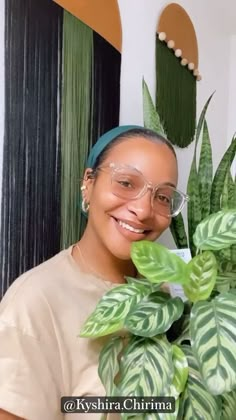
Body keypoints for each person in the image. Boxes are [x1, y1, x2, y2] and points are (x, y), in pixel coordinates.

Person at [0, 125, 188, 420]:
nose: (143, 209)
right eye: (126, 182)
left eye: (163, 197)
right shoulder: (34, 303)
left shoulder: (172, 286)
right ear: (88, 183)